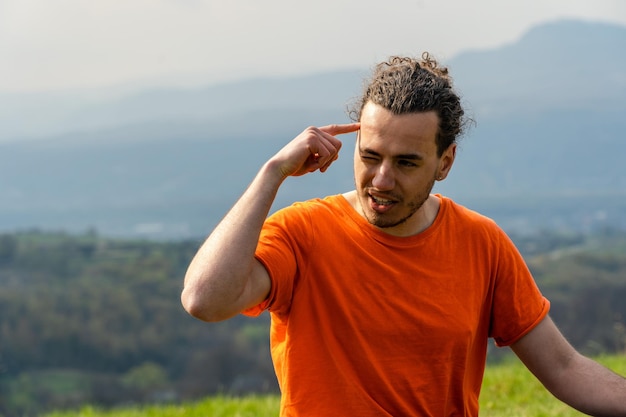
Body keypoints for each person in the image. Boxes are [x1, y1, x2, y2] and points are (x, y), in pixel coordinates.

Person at [181, 52, 626, 416]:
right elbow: (204, 299)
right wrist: (271, 173)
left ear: (445, 163)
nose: (381, 180)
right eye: (370, 156)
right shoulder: (301, 233)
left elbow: (565, 368)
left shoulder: (481, 243)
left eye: (407, 163)